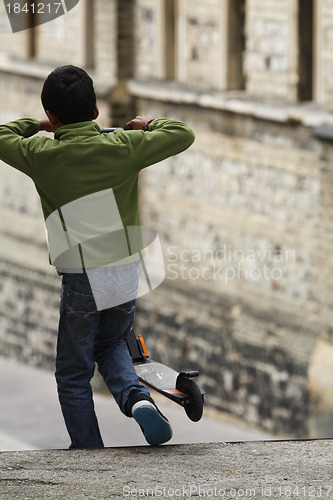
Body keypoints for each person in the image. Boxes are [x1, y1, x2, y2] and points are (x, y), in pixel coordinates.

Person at [0, 65, 195, 448]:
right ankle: (137, 399)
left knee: (73, 371)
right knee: (112, 344)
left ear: (53, 116)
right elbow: (182, 133)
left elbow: (2, 134)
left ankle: (88, 451)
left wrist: (40, 124)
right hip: (125, 271)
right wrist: (148, 123)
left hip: (81, 275)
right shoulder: (122, 146)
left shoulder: (40, 153)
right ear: (95, 113)